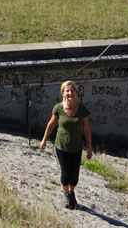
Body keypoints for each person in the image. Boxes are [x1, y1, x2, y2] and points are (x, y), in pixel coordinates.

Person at [39, 80, 93, 210]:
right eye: (67, 91)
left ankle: (71, 192)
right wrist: (44, 139)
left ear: (76, 92)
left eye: (72, 90)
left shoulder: (82, 110)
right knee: (65, 174)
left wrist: (90, 147)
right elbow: (51, 124)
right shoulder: (58, 108)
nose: (70, 93)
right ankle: (68, 195)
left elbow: (86, 129)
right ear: (63, 93)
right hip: (62, 146)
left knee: (74, 176)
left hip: (77, 147)